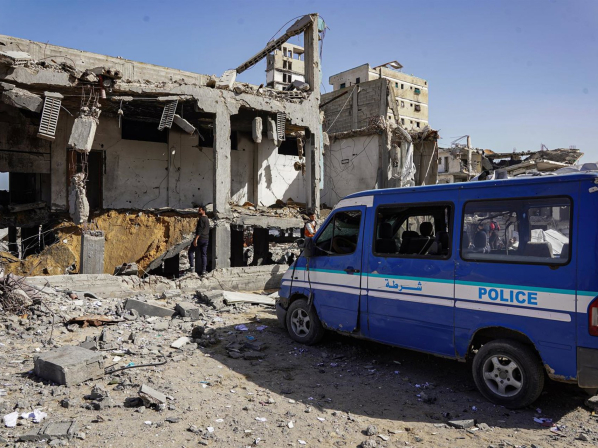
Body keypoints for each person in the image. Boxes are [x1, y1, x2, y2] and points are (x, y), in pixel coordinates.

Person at [192, 205, 210, 275]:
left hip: (201, 239)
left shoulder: (201, 219)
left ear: (203, 211)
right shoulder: (207, 218)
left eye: (200, 210)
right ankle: (203, 270)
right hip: (206, 239)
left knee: (191, 251)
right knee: (204, 255)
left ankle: (191, 268)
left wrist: (196, 239)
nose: (198, 211)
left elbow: (200, 230)